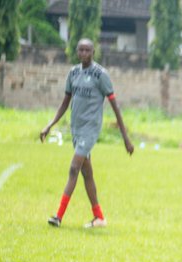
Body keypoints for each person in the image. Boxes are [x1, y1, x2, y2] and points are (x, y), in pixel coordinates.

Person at [39, 39, 134, 229]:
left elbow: (115, 107)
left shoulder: (101, 75)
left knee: (74, 168)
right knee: (86, 173)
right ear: (76, 52)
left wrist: (125, 137)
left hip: (90, 129)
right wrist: (49, 125)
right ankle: (99, 217)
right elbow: (65, 103)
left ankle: (58, 216)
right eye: (80, 50)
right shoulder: (73, 73)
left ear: (93, 52)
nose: (84, 53)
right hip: (76, 128)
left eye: (87, 50)